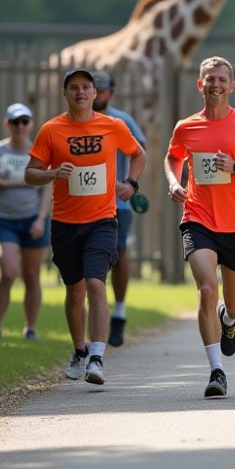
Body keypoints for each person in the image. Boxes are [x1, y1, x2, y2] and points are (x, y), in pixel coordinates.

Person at [26, 69, 146, 385]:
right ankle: (78, 350)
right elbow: (30, 173)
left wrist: (131, 184)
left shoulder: (113, 126)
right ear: (64, 95)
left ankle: (96, 357)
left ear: (95, 93)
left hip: (102, 220)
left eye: (86, 87)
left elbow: (138, 154)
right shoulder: (51, 130)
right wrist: (52, 174)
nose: (80, 92)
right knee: (75, 291)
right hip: (65, 223)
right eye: (74, 88)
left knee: (95, 283)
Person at [165, 57, 235, 398]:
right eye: (209, 78)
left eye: (221, 79)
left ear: (231, 86)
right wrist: (174, 182)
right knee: (207, 291)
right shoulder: (186, 126)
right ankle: (216, 370)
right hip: (197, 217)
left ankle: (229, 319)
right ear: (200, 84)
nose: (215, 84)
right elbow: (173, 157)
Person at [0, 103, 52, 343]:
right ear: (6, 124)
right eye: (15, 122)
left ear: (30, 124)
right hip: (4, 221)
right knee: (9, 272)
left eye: (24, 122)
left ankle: (30, 328)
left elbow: (47, 188)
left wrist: (41, 219)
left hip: (33, 220)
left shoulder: (39, 151)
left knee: (31, 276)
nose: (20, 126)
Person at [91, 70, 149, 347]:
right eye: (94, 89)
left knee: (120, 253)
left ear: (110, 93)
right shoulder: (77, 122)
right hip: (85, 202)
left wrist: (131, 183)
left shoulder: (121, 120)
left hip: (118, 203)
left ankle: (120, 312)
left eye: (102, 90)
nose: (97, 94)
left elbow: (140, 149)